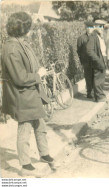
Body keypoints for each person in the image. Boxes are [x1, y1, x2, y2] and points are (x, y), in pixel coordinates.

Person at [1, 12, 55, 177]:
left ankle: (44, 154)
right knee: (24, 129)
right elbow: (20, 77)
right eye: (29, 27)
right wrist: (38, 75)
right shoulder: (11, 48)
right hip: (22, 95)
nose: (31, 30)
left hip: (31, 93)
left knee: (40, 125)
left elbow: (30, 66)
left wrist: (39, 72)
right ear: (22, 28)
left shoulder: (21, 43)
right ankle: (25, 165)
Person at [87, 20, 107, 102]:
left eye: (103, 26)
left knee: (101, 78)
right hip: (98, 60)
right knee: (98, 79)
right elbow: (89, 51)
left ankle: (100, 95)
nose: (102, 28)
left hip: (102, 58)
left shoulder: (99, 36)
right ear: (95, 26)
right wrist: (98, 60)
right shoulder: (93, 36)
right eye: (100, 26)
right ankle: (99, 97)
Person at [77, 21, 94, 98]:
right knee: (88, 76)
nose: (89, 29)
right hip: (86, 61)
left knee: (95, 76)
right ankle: (89, 92)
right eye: (88, 27)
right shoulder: (81, 38)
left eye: (91, 27)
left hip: (95, 60)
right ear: (86, 28)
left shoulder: (95, 37)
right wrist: (82, 61)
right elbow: (79, 51)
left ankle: (95, 90)